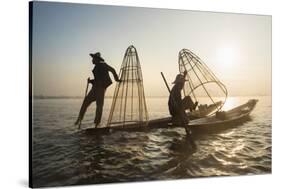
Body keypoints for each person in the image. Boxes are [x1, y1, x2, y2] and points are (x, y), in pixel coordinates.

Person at [75, 52, 121, 128]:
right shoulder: (96, 67)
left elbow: (113, 70)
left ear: (97, 59)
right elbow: (97, 79)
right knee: (85, 102)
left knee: (99, 106)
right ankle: (79, 119)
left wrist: (116, 79)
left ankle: (97, 124)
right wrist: (91, 81)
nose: (92, 60)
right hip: (94, 88)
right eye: (92, 58)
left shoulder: (103, 65)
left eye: (93, 59)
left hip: (101, 88)